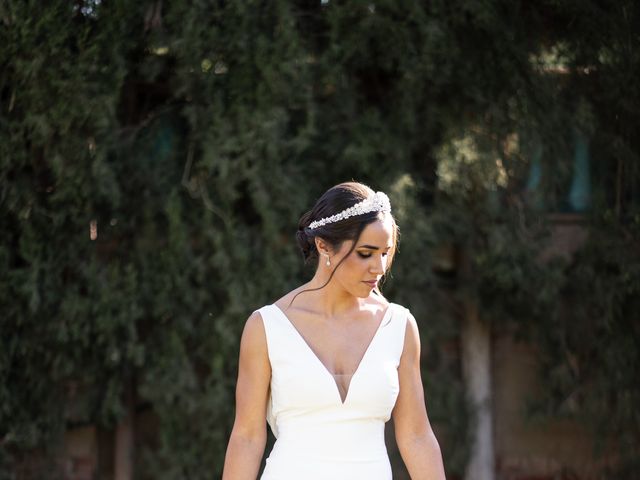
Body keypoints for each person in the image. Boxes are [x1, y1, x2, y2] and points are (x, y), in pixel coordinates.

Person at [222, 181, 446, 479]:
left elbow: (416, 436)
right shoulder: (266, 327)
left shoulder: (399, 326)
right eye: (366, 253)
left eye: (385, 253)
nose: (379, 268)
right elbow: (247, 438)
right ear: (323, 246)